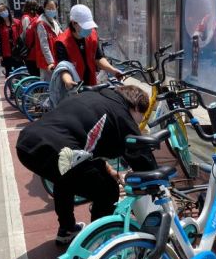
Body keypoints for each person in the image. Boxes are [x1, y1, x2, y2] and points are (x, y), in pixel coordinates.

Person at [16, 85, 156, 245]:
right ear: (136, 107)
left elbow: (87, 147)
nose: (136, 123)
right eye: (139, 117)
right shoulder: (121, 114)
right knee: (108, 190)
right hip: (60, 150)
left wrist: (109, 170)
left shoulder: (92, 96)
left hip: (27, 143)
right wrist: (158, 182)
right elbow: (142, 157)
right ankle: (98, 244)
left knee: (64, 179)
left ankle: (67, 230)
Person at [55, 4, 123, 89]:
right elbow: (63, 68)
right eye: (85, 26)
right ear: (73, 23)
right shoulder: (62, 42)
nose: (88, 30)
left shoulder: (92, 34)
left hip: (91, 82)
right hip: (74, 85)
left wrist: (112, 70)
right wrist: (68, 81)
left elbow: (98, 58)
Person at [35, 0, 62, 82]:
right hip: (46, 61)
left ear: (56, 8)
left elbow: (62, 35)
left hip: (55, 58)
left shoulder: (54, 21)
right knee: (47, 85)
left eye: (53, 8)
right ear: (44, 8)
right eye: (48, 8)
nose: (51, 10)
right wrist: (50, 62)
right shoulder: (41, 23)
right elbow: (44, 46)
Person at [0, 3, 23, 77]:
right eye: (0, 11)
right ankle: (10, 88)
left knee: (19, 73)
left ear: (8, 10)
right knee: (9, 74)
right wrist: (0, 54)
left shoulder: (17, 22)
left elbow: (21, 36)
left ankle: (19, 88)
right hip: (6, 53)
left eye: (4, 9)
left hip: (17, 52)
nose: (3, 12)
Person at [21, 0, 40, 77]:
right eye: (35, 6)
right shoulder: (26, 18)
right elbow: (26, 35)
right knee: (35, 75)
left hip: (36, 51)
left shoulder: (36, 17)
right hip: (30, 51)